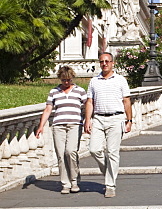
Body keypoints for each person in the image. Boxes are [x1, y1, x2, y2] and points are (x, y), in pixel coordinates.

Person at [84, 52, 132, 198]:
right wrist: (87, 120)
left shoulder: (120, 80)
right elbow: (90, 102)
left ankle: (110, 185)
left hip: (116, 118)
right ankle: (109, 172)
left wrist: (129, 120)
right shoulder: (94, 81)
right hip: (98, 118)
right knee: (94, 149)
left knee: (112, 152)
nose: (104, 64)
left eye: (107, 61)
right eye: (102, 61)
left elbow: (126, 101)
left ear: (112, 63)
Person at [35, 65, 86, 194]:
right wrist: (41, 126)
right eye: (64, 80)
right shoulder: (54, 92)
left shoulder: (80, 91)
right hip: (58, 125)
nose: (66, 82)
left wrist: (87, 121)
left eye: (68, 80)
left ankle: (75, 180)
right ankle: (65, 183)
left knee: (71, 151)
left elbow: (87, 106)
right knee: (61, 154)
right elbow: (48, 109)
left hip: (75, 124)